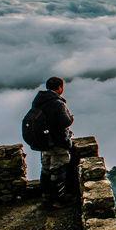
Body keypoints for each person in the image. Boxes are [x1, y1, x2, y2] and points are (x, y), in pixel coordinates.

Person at [32, 76, 74, 207]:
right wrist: (71, 118)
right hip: (57, 141)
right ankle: (58, 199)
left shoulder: (38, 101)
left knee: (46, 169)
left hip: (44, 141)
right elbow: (65, 121)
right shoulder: (57, 103)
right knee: (58, 170)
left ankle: (46, 197)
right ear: (60, 88)